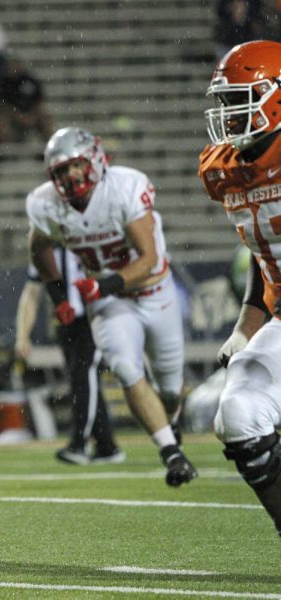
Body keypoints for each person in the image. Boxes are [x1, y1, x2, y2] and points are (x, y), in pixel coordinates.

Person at [27, 126, 195, 487]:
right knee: (124, 367)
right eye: (60, 171)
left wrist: (102, 283)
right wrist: (59, 297)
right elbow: (39, 249)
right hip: (111, 303)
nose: (70, 177)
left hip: (154, 293)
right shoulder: (46, 204)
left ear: (96, 159)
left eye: (75, 166)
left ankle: (170, 425)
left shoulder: (124, 187)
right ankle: (171, 452)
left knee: (169, 386)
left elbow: (147, 258)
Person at [198, 40, 281, 537]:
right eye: (226, 102)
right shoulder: (224, 169)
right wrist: (249, 320)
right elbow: (261, 244)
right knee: (238, 412)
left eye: (240, 98)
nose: (230, 113)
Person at [14, 244, 124, 465]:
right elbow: (32, 292)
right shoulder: (45, 249)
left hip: (94, 317)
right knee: (80, 379)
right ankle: (106, 445)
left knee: (83, 374)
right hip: (65, 322)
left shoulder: (87, 240)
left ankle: (79, 444)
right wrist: (22, 335)